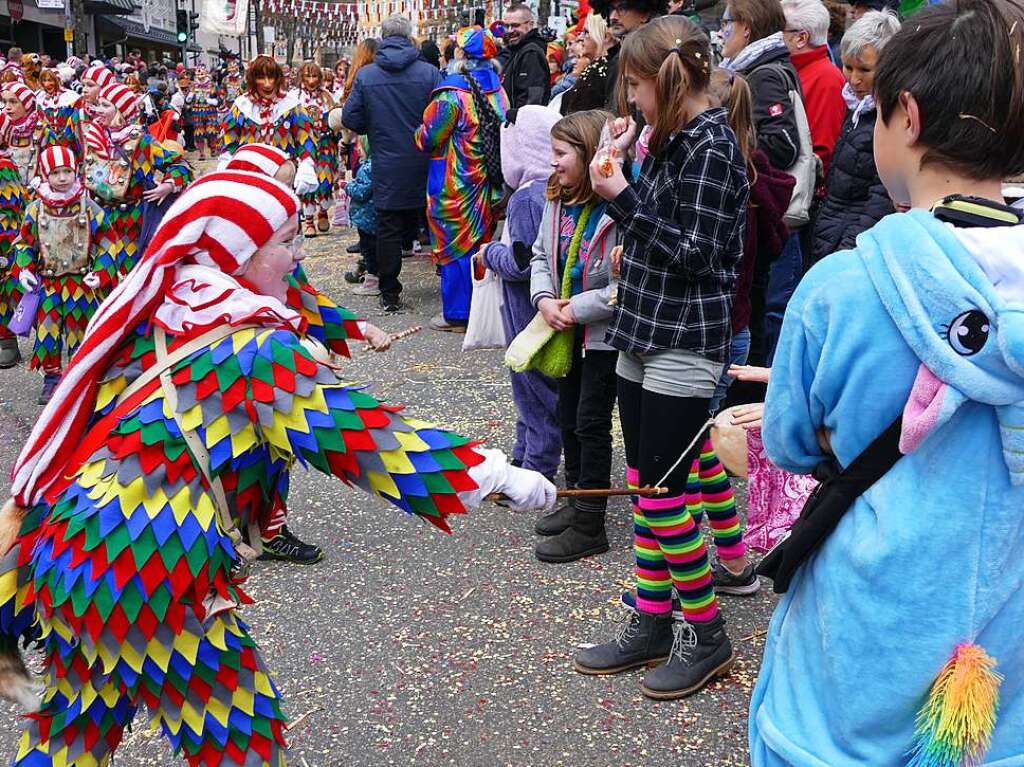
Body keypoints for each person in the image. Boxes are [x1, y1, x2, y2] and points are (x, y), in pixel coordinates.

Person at [0, 168, 555, 766]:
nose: (296, 259)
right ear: (236, 255)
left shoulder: (162, 317)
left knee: (75, 733)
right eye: (285, 243)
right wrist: (493, 474)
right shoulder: (251, 345)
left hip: (72, 565)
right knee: (242, 743)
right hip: (153, 576)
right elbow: (362, 438)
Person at [750, 1, 1024, 763]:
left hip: (864, 641)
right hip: (1008, 643)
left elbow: (789, 443)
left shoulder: (844, 289)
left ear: (907, 114)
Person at [574, 16, 750, 698]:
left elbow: (698, 254)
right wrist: (623, 169)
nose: (630, 101)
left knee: (665, 493)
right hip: (641, 327)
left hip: (684, 335)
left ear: (666, 81)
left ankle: (706, 633)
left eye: (635, 87)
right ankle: (651, 616)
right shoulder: (668, 137)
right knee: (650, 480)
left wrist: (624, 199)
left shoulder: (710, 146)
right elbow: (657, 226)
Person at [528, 109, 620, 563]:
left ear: (587, 155)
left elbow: (622, 286)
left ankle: (590, 523)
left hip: (601, 335)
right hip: (564, 328)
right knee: (567, 415)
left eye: (561, 153)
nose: (553, 163)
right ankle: (577, 495)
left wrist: (576, 308)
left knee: (591, 421)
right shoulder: (555, 199)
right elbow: (541, 255)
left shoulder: (614, 208)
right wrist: (545, 299)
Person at [480, 105, 563, 488]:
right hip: (539, 308)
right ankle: (522, 455)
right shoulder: (551, 188)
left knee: (533, 386)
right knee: (528, 382)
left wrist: (488, 254)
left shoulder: (528, 197)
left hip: (526, 309)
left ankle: (535, 471)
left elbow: (523, 261)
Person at [720, 0, 806, 366]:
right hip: (762, 204)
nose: (722, 31)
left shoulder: (764, 74)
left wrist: (733, 148)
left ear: (746, 28)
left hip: (765, 205)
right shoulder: (759, 68)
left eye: (726, 22)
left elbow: (783, 144)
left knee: (760, 308)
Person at [342, 15, 441, 313]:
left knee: (388, 225)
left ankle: (389, 292)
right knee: (436, 220)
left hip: (386, 160)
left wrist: (375, 125)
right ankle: (448, 283)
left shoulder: (367, 76)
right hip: (426, 159)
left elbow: (350, 119)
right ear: (409, 36)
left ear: (383, 38)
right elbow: (443, 113)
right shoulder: (430, 73)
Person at [414, 27, 509, 333]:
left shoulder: (452, 94)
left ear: (461, 55)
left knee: (454, 247)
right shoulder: (498, 90)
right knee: (480, 244)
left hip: (455, 184)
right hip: (488, 184)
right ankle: (479, 309)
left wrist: (418, 132)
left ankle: (457, 314)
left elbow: (427, 137)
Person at [10, 146, 119, 403]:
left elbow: (108, 243)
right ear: (46, 175)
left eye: (67, 171)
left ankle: (78, 377)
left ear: (76, 171)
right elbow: (25, 243)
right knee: (48, 333)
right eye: (56, 173)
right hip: (48, 282)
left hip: (80, 282)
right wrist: (25, 268)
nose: (62, 178)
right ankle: (51, 379)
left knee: (80, 331)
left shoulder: (90, 207)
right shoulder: (35, 209)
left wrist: (102, 273)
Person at [809, 10, 899, 263]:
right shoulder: (857, 107)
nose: (854, 79)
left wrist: (846, 250)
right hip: (832, 232)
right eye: (848, 67)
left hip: (851, 245)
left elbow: (881, 197)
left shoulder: (890, 117)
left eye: (865, 69)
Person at [83, 82, 193, 277]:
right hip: (100, 218)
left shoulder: (141, 141)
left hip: (132, 221)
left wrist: (167, 186)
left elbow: (180, 166)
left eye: (105, 105)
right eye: (98, 104)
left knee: (130, 273)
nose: (98, 110)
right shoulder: (94, 138)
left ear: (121, 110)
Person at [220, 55, 318, 200]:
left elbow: (304, 137)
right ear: (253, 80)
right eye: (261, 78)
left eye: (271, 77)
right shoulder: (242, 105)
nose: (267, 84)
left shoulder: (291, 104)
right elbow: (230, 142)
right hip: (249, 181)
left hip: (283, 179)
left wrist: (306, 165)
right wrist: (224, 165)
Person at [781, 0, 847, 178]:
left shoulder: (827, 79)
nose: (774, 37)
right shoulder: (793, 69)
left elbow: (821, 152)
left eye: (780, 30)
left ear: (801, 38)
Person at [592, 0, 667, 110]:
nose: (613, 16)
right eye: (611, 9)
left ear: (644, 14)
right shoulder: (616, 58)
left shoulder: (653, 56)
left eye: (622, 9)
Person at [296, 61, 339, 237]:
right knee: (306, 181)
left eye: (314, 76)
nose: (311, 80)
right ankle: (308, 221)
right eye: (308, 76)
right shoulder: (294, 96)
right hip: (304, 146)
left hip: (325, 143)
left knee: (325, 180)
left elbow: (336, 118)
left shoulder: (327, 96)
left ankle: (322, 211)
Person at [0, 113, 26, 369]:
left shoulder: (4, 166)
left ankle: (7, 341)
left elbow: (11, 206)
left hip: (2, 236)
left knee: (5, 290)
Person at [501, 4, 552, 113]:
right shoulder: (516, 49)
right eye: (507, 26)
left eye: (515, 25)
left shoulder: (531, 53)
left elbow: (532, 99)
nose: (510, 30)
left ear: (530, 24)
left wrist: (517, 121)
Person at [560, 11, 613, 115]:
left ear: (603, 36)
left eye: (586, 32)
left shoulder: (603, 70)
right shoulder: (595, 68)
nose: (580, 38)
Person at [347, 136, 379, 296]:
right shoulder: (374, 165)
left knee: (369, 250)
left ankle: (372, 282)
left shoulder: (368, 168)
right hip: (371, 217)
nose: (357, 150)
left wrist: (348, 186)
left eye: (360, 146)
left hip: (366, 218)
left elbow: (362, 192)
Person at [36, 67, 83, 159]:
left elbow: (76, 118)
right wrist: (48, 133)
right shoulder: (38, 97)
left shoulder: (71, 96)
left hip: (69, 140)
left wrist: (66, 136)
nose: (47, 84)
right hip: (46, 141)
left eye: (50, 80)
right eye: (44, 80)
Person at [2, 82, 39, 187]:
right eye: (4, 102)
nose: (7, 107)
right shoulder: (4, 129)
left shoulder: (41, 130)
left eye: (13, 102)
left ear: (27, 104)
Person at [190, 65, 219, 160]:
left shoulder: (212, 85)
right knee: (199, 133)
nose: (200, 76)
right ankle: (201, 153)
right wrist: (189, 97)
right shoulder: (193, 85)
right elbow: (188, 99)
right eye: (198, 73)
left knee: (211, 131)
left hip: (210, 111)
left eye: (202, 73)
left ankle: (213, 148)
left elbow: (219, 98)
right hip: (197, 111)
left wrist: (212, 101)